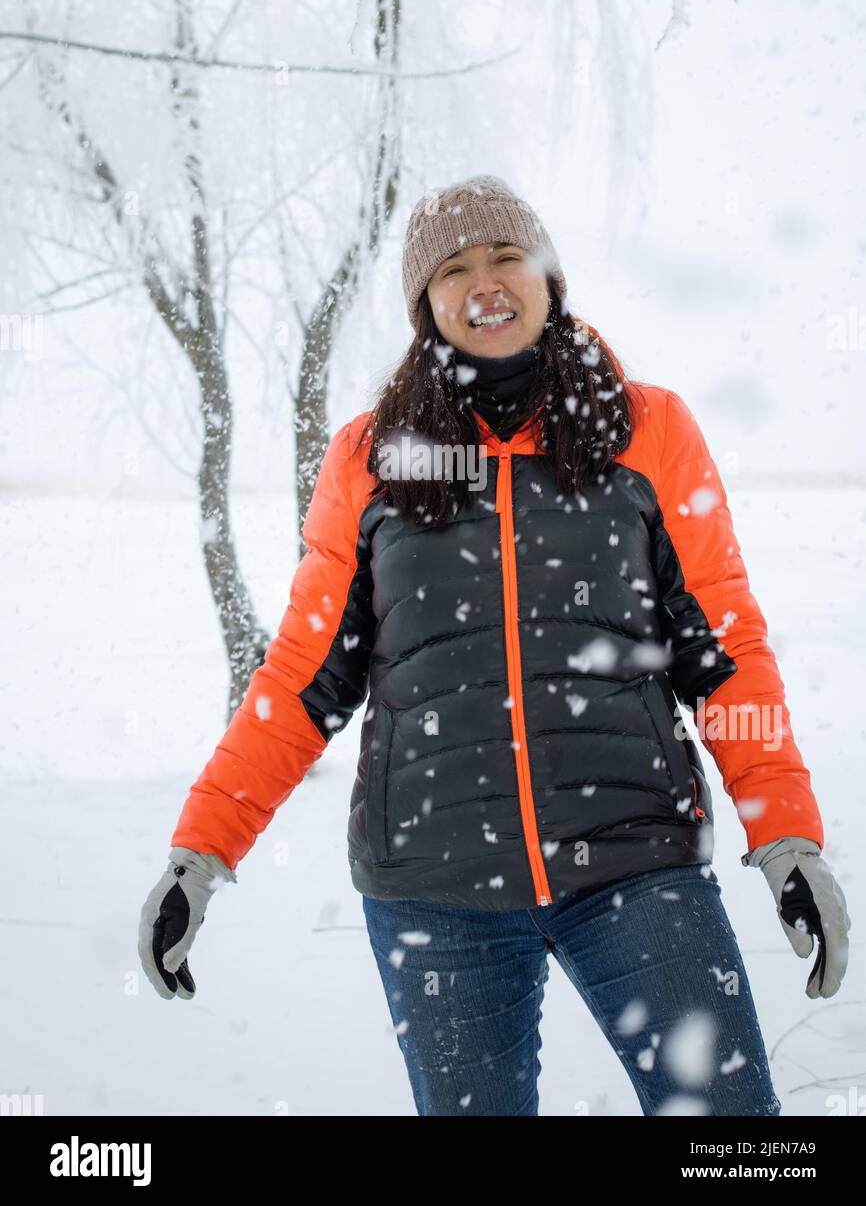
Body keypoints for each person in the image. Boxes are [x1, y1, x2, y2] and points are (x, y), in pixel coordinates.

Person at [139, 174, 850, 1116]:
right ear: (424, 305)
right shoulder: (370, 459)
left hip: (634, 868)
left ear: (549, 277)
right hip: (437, 895)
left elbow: (724, 655)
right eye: (454, 269)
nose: (486, 284)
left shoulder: (652, 431)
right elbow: (300, 682)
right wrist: (200, 852)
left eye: (507, 257)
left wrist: (788, 837)